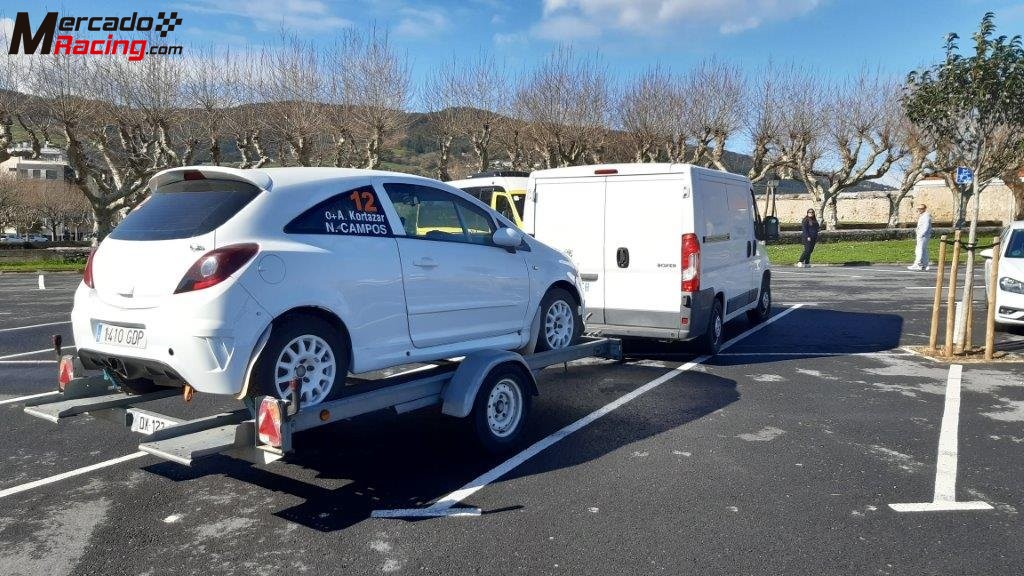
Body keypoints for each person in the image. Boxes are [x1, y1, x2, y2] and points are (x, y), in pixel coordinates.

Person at [908, 204, 932, 271]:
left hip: (923, 236)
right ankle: (925, 265)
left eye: (920, 209)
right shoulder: (923, 216)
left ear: (924, 209)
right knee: (924, 250)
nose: (918, 210)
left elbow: (926, 227)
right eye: (918, 209)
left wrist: (921, 234)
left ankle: (917, 264)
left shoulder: (926, 216)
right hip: (922, 235)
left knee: (919, 250)